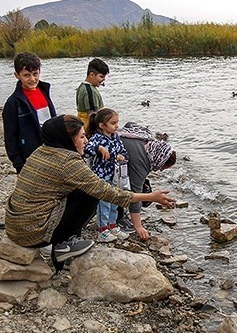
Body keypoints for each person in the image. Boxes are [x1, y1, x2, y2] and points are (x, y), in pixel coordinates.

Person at [3, 115, 174, 270]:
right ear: (68, 139)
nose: (86, 141)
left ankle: (63, 241)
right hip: (31, 233)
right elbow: (107, 192)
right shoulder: (68, 162)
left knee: (82, 189)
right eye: (82, 136)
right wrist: (151, 197)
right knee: (91, 194)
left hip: (15, 223)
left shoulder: (42, 150)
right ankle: (64, 244)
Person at [117, 122, 176, 240]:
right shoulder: (141, 162)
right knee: (127, 189)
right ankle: (118, 218)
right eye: (162, 167)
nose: (160, 170)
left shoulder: (146, 139)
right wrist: (138, 226)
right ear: (160, 158)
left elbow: (129, 124)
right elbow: (134, 194)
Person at [2, 52, 57, 173]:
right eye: (26, 75)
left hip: (51, 152)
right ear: (17, 75)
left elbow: (53, 122)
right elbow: (10, 137)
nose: (32, 79)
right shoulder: (13, 103)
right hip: (30, 159)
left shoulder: (44, 92)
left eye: (35, 74)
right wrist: (18, 164)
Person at [83, 108, 129, 243]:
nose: (117, 126)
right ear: (102, 125)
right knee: (104, 204)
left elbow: (124, 152)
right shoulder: (97, 138)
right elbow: (86, 151)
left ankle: (113, 225)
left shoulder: (116, 137)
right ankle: (103, 230)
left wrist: (122, 156)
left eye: (117, 122)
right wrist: (99, 149)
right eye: (113, 123)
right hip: (102, 176)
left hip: (116, 175)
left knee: (115, 201)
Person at [76, 58, 108, 131]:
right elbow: (93, 115)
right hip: (88, 129)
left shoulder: (82, 87)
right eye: (101, 76)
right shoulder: (90, 91)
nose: (104, 80)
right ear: (92, 75)